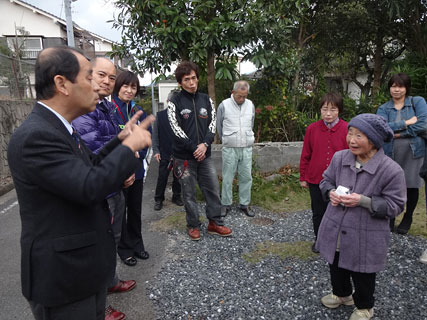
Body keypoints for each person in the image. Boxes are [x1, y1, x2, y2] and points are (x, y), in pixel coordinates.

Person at [7, 46, 153, 320]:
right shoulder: (36, 136)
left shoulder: (60, 126)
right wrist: (128, 149)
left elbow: (88, 167)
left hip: (82, 272)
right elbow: (88, 186)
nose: (97, 86)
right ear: (62, 84)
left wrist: (118, 142)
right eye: (89, 77)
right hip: (63, 280)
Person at [317, 114, 406, 320]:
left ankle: (365, 306)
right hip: (336, 226)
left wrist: (364, 201)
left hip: (367, 233)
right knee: (336, 263)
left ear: (374, 141)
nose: (351, 140)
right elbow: (325, 180)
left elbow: (396, 205)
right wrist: (329, 191)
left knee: (363, 272)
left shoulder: (391, 170)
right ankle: (342, 294)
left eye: (359, 135)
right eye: (350, 133)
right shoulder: (340, 158)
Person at [72, 57, 135, 320]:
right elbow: (93, 152)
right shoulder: (85, 111)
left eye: (111, 77)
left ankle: (110, 281)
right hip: (99, 190)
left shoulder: (107, 107)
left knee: (113, 239)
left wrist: (125, 168)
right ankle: (100, 304)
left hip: (113, 186)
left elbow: (115, 144)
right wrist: (121, 167)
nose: (106, 81)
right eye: (101, 75)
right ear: (87, 76)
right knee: (98, 246)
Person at [167, 61, 232, 241]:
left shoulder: (206, 100)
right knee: (189, 194)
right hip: (184, 158)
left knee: (212, 189)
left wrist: (204, 144)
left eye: (194, 78)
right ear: (180, 83)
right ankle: (193, 225)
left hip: (205, 155)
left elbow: (212, 125)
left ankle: (215, 223)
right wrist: (193, 147)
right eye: (187, 79)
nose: (192, 83)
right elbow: (175, 127)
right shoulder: (175, 101)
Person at [377, 73, 427, 234]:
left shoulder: (417, 102)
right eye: (393, 86)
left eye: (400, 86)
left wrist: (398, 133)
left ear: (406, 88)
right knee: (390, 186)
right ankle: (390, 217)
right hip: (390, 153)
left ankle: (408, 217)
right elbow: (381, 128)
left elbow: (423, 125)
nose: (396, 89)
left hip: (414, 152)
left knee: (411, 185)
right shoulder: (383, 108)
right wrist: (406, 122)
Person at [299, 92, 348, 253]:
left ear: (339, 110)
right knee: (318, 212)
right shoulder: (312, 129)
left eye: (333, 109)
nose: (328, 113)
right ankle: (319, 239)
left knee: (337, 211)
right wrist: (303, 177)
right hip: (315, 178)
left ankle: (336, 241)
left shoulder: (347, 129)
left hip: (339, 179)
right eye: (325, 109)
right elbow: (306, 154)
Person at [112, 70, 150, 266]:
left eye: (133, 87)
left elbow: (146, 139)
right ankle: (124, 248)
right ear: (118, 86)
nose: (129, 90)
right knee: (121, 211)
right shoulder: (110, 109)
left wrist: (138, 154)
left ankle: (137, 244)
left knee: (135, 209)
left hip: (137, 170)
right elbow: (109, 141)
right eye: (125, 86)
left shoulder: (138, 111)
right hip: (119, 170)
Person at [216, 80, 255, 217]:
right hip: (230, 148)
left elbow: (251, 123)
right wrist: (226, 140)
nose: (242, 99)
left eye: (245, 96)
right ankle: (226, 204)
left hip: (246, 147)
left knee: (246, 177)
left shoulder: (250, 105)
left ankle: (244, 204)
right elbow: (219, 126)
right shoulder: (224, 105)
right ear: (233, 92)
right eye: (239, 96)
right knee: (227, 177)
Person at [152, 90, 183, 210]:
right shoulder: (160, 116)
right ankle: (158, 199)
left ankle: (176, 196)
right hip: (164, 152)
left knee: (178, 177)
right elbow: (155, 135)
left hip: (179, 152)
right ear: (167, 102)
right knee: (162, 178)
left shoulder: (182, 116)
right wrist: (156, 150)